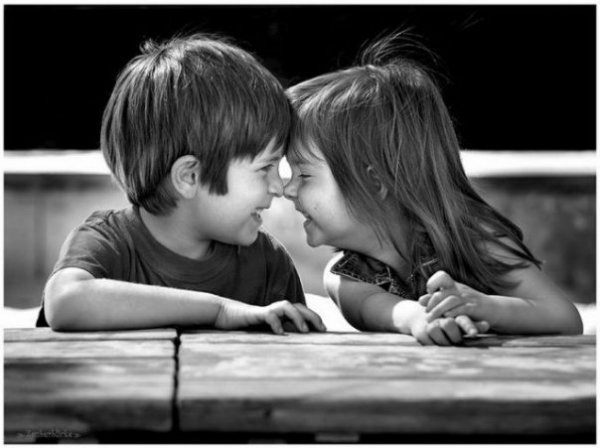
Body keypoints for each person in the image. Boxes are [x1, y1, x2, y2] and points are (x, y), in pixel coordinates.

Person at [283, 34, 582, 345]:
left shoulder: (471, 238)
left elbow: (564, 318)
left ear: (374, 182)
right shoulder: (346, 276)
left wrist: (483, 306)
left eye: (303, 174)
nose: (287, 189)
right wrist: (421, 318)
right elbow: (388, 311)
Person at [37, 33, 326, 334]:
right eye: (265, 167)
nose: (279, 187)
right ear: (189, 177)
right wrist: (218, 310)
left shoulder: (268, 264)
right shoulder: (107, 244)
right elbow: (66, 302)